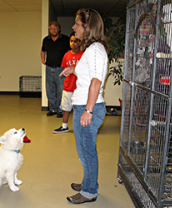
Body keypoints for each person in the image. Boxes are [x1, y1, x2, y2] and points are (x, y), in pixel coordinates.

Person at [60, 8, 109, 204]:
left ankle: (89, 192)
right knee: (83, 150)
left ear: (87, 27)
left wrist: (88, 110)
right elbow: (89, 73)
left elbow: (96, 81)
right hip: (82, 106)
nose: (73, 27)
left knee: (87, 152)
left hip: (90, 107)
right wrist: (73, 69)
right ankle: (87, 182)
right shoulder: (90, 49)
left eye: (77, 24)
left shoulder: (96, 49)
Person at [53, 32, 83, 134]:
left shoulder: (83, 55)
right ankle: (64, 126)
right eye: (71, 41)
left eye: (75, 41)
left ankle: (80, 128)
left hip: (79, 88)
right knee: (66, 108)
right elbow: (64, 69)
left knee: (79, 109)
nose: (73, 43)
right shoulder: (66, 55)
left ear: (79, 42)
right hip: (68, 87)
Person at [41, 21, 70, 118]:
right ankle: (53, 108)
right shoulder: (46, 40)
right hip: (49, 68)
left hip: (61, 68)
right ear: (49, 30)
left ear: (59, 29)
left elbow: (71, 51)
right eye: (52, 28)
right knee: (50, 90)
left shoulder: (65, 39)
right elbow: (42, 50)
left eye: (55, 28)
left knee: (61, 90)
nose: (54, 30)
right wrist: (43, 59)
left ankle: (61, 110)